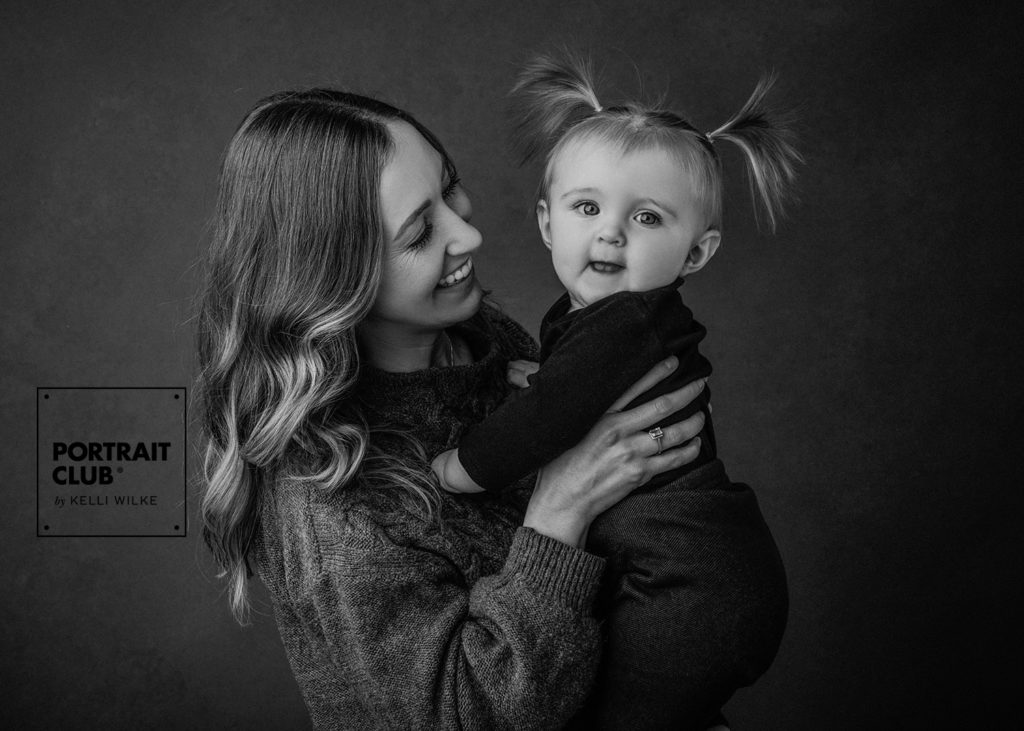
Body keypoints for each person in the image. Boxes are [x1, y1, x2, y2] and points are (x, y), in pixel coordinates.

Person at [196, 88, 714, 730]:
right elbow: (460, 718)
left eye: (452, 189)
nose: (469, 231)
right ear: (334, 278)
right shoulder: (332, 499)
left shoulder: (482, 341)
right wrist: (561, 510)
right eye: (420, 231)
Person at [431, 54, 798, 730]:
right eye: (588, 207)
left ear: (697, 253)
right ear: (548, 223)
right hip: (697, 582)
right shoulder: (606, 324)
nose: (611, 231)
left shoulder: (629, 319)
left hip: (689, 589)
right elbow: (570, 390)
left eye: (649, 218)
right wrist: (551, 384)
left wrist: (461, 467)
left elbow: (549, 418)